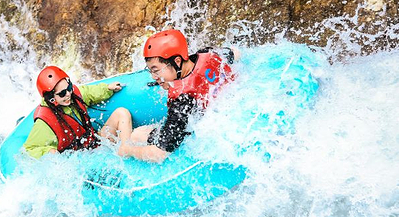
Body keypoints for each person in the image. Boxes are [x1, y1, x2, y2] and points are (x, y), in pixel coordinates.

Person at [118, 29, 239, 163]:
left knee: (137, 135)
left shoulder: (183, 101)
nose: (153, 77)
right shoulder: (208, 54)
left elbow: (159, 154)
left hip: (205, 135)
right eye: (151, 70)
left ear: (177, 61)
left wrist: (128, 150)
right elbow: (235, 53)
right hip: (233, 101)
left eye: (156, 70)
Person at [23, 66, 132, 159]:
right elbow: (30, 149)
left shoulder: (72, 95)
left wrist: (108, 88)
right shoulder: (44, 122)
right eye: (62, 94)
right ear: (51, 98)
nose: (68, 94)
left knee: (121, 113)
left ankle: (126, 152)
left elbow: (89, 93)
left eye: (69, 88)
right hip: (79, 157)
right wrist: (48, 152)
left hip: (94, 142)